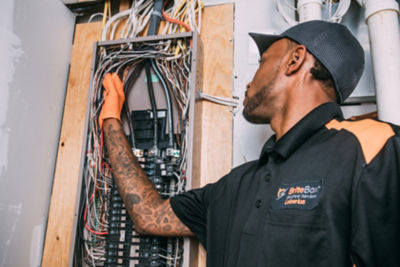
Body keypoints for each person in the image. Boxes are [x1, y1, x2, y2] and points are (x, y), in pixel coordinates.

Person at [100, 20, 400, 267]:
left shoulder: (375, 148)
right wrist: (112, 120)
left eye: (262, 62)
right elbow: (148, 215)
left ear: (295, 59)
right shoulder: (234, 186)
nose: (249, 81)